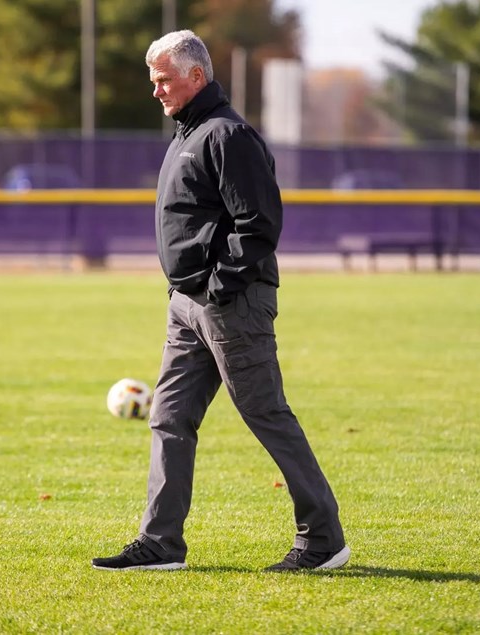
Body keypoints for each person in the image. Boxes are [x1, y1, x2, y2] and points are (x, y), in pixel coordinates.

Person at [91, 30, 349, 572]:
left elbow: (260, 226)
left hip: (229, 303)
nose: (156, 91)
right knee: (169, 416)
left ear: (196, 76)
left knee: (265, 413)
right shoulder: (187, 134)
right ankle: (161, 544)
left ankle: (323, 540)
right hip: (186, 307)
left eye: (164, 80)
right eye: (154, 80)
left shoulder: (227, 136)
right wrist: (187, 291)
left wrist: (215, 286)